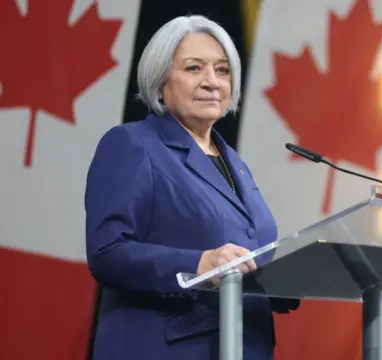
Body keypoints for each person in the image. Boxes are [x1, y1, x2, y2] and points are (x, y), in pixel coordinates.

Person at [85, 15, 298, 360]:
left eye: (223, 70)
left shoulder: (235, 164)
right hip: (169, 348)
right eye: (194, 68)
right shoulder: (132, 145)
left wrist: (281, 280)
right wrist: (199, 264)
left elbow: (245, 256)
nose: (212, 82)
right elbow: (108, 253)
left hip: (242, 346)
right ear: (160, 81)